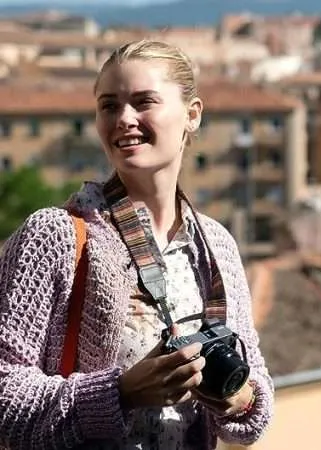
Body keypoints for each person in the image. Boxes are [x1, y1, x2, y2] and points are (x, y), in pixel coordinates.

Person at [0, 39, 274, 449]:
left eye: (144, 102)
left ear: (192, 115)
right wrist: (122, 393)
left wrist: (240, 398)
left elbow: (254, 409)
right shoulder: (54, 236)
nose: (124, 119)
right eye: (109, 106)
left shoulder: (216, 246)